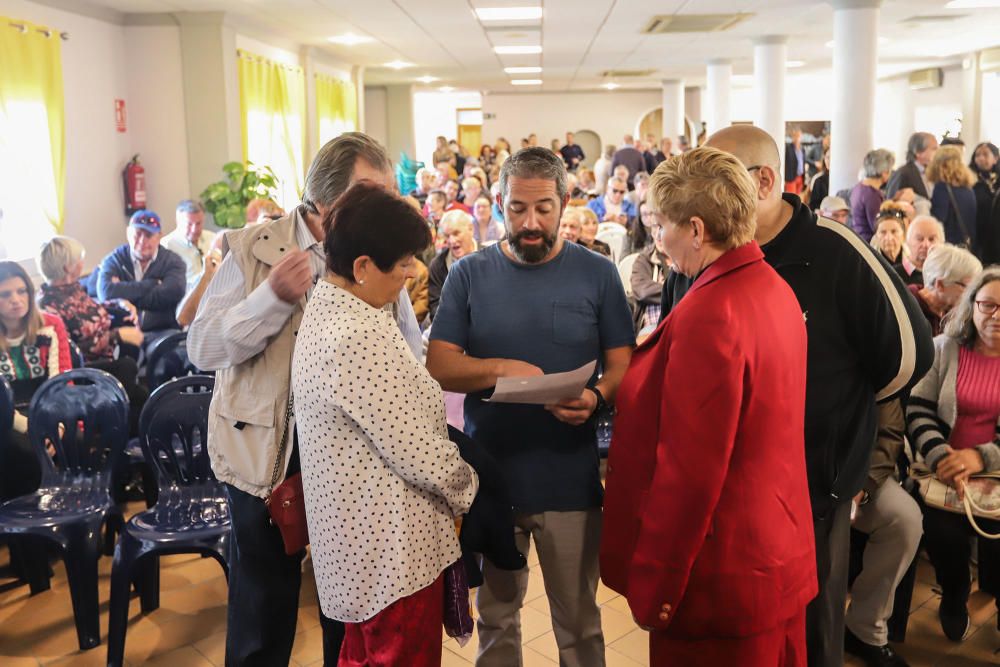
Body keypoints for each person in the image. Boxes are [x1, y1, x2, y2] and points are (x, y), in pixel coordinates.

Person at [659, 125, 933, 667]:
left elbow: (907, 358)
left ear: (763, 182)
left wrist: (847, 451)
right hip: (723, 494)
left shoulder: (835, 252)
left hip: (813, 494)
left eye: (720, 180)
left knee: (810, 634)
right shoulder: (699, 252)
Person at [187, 132, 423, 665]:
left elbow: (409, 350)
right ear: (325, 201)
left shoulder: (378, 246)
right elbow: (202, 347)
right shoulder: (251, 247)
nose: (384, 206)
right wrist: (269, 300)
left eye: (388, 193)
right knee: (262, 613)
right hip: (264, 455)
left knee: (349, 607)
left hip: (351, 460)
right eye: (372, 192)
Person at [602, 147, 816, 666]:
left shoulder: (711, 312)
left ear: (696, 229)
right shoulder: (773, 286)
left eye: (661, 225)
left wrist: (658, 584)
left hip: (722, 567)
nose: (658, 238)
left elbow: (689, 473)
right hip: (774, 545)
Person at [426, 146, 635, 667]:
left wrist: (597, 396)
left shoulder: (597, 274)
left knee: (580, 622)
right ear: (498, 203)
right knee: (497, 618)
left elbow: (622, 363)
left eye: (544, 208)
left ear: (565, 202)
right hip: (492, 479)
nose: (531, 222)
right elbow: (441, 364)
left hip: (569, 478)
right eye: (518, 208)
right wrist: (500, 370)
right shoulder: (469, 275)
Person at [292, 183, 477, 665]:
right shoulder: (354, 335)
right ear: (362, 267)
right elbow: (416, 451)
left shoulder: (334, 308)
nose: (413, 272)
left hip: (364, 547)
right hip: (389, 554)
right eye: (401, 264)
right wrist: (470, 487)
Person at [906, 267, 1000, 642]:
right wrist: (942, 457)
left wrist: (980, 458)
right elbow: (918, 407)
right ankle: (955, 594)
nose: (996, 315)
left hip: (993, 471)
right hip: (941, 470)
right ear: (972, 306)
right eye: (988, 305)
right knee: (945, 535)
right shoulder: (945, 347)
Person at [36, 236, 148, 433]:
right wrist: (116, 336)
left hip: (103, 362)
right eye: (79, 259)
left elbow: (89, 311)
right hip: (80, 371)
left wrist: (119, 303)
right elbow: (70, 351)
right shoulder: (48, 304)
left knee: (142, 393)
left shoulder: (72, 290)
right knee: (128, 372)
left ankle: (145, 440)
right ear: (68, 268)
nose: (82, 263)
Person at [844, 398, 923, 667]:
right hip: (795, 469)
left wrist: (863, 487)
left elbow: (889, 431)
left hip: (856, 472)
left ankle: (864, 628)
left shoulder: (874, 362)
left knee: (904, 519)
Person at [0, 261, 71, 500]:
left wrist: (54, 425)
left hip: (49, 410)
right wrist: (33, 429)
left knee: (75, 440)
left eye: (22, 291)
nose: (16, 300)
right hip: (7, 419)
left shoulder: (51, 325)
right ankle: (24, 528)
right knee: (19, 450)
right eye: (6, 294)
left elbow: (60, 384)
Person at [96, 209, 187, 343]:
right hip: (124, 333)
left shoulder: (173, 262)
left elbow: (173, 293)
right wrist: (152, 284)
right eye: (137, 234)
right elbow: (105, 293)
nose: (142, 241)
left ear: (159, 236)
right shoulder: (114, 260)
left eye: (149, 235)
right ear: (128, 233)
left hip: (162, 331)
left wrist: (125, 297)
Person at [907, 244, 982, 336]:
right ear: (940, 285)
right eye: (967, 287)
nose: (972, 294)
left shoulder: (950, 311)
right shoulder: (907, 309)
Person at [428, 209, 477, 322]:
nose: (451, 240)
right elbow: (436, 308)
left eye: (456, 233)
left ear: (471, 229)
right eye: (447, 235)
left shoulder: (491, 257)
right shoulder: (438, 266)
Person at [928, 145, 978, 249]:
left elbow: (938, 219)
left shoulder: (942, 188)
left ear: (938, 164)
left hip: (949, 245)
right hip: (966, 244)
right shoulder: (968, 188)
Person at [162, 199, 216, 291]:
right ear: (177, 222)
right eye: (189, 224)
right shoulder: (166, 246)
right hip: (185, 300)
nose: (194, 229)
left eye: (198, 223)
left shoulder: (213, 239)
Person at [629, 210, 669, 334]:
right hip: (652, 326)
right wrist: (675, 291)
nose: (658, 235)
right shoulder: (644, 259)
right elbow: (642, 291)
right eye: (654, 228)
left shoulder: (686, 260)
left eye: (662, 228)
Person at [851, 149, 895, 242]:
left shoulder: (859, 187)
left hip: (859, 240)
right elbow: (878, 226)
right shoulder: (872, 194)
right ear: (884, 173)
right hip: (869, 244)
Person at [970, 142, 1000, 264]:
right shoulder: (970, 180)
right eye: (977, 155)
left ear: (996, 158)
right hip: (977, 235)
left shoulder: (997, 181)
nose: (981, 158)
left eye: (985, 154)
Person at [887, 131, 938, 201]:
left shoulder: (933, 172)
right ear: (918, 152)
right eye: (934, 149)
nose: (938, 152)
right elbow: (891, 203)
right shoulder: (903, 173)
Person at [897, 215, 945, 287]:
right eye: (920, 239)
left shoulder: (946, 275)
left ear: (942, 243)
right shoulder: (894, 274)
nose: (926, 245)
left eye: (931, 239)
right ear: (907, 242)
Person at [785, 126, 807, 194]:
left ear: (801, 136)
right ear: (792, 137)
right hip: (791, 178)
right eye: (795, 136)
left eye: (798, 136)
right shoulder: (788, 148)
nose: (797, 138)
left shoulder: (802, 149)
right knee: (792, 199)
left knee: (798, 198)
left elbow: (803, 161)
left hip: (800, 176)